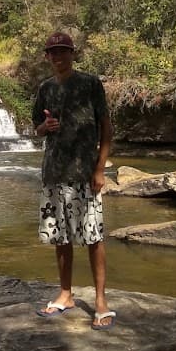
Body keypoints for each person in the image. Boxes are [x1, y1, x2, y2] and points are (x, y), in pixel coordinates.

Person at [31, 31, 115, 330]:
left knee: (94, 237)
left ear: (72, 53)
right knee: (60, 238)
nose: (58, 56)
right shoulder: (45, 89)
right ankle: (65, 294)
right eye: (53, 52)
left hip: (84, 173)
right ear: (47, 56)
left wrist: (100, 169)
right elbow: (37, 130)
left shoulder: (90, 84)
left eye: (63, 51)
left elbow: (106, 129)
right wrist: (45, 126)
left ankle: (101, 301)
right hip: (54, 173)